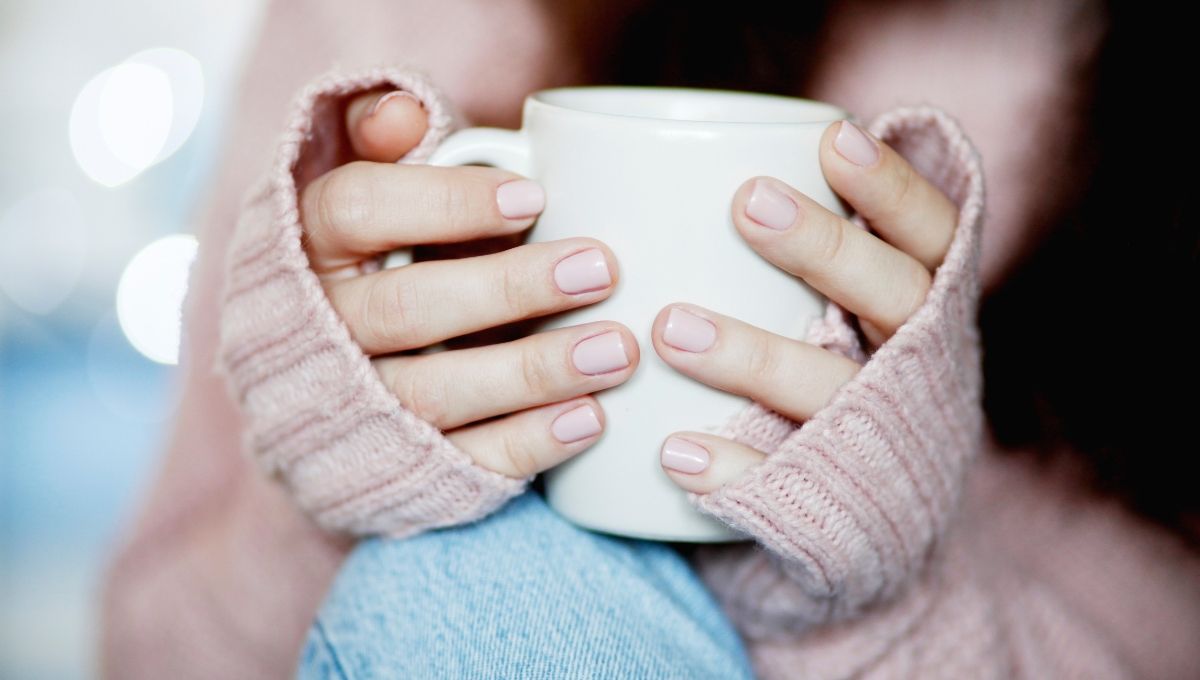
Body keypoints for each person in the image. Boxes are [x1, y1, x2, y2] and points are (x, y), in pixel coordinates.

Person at [100, 0, 1200, 678]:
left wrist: (880, 593)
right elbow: (141, 656)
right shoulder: (403, 23)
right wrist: (330, 490)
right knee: (475, 585)